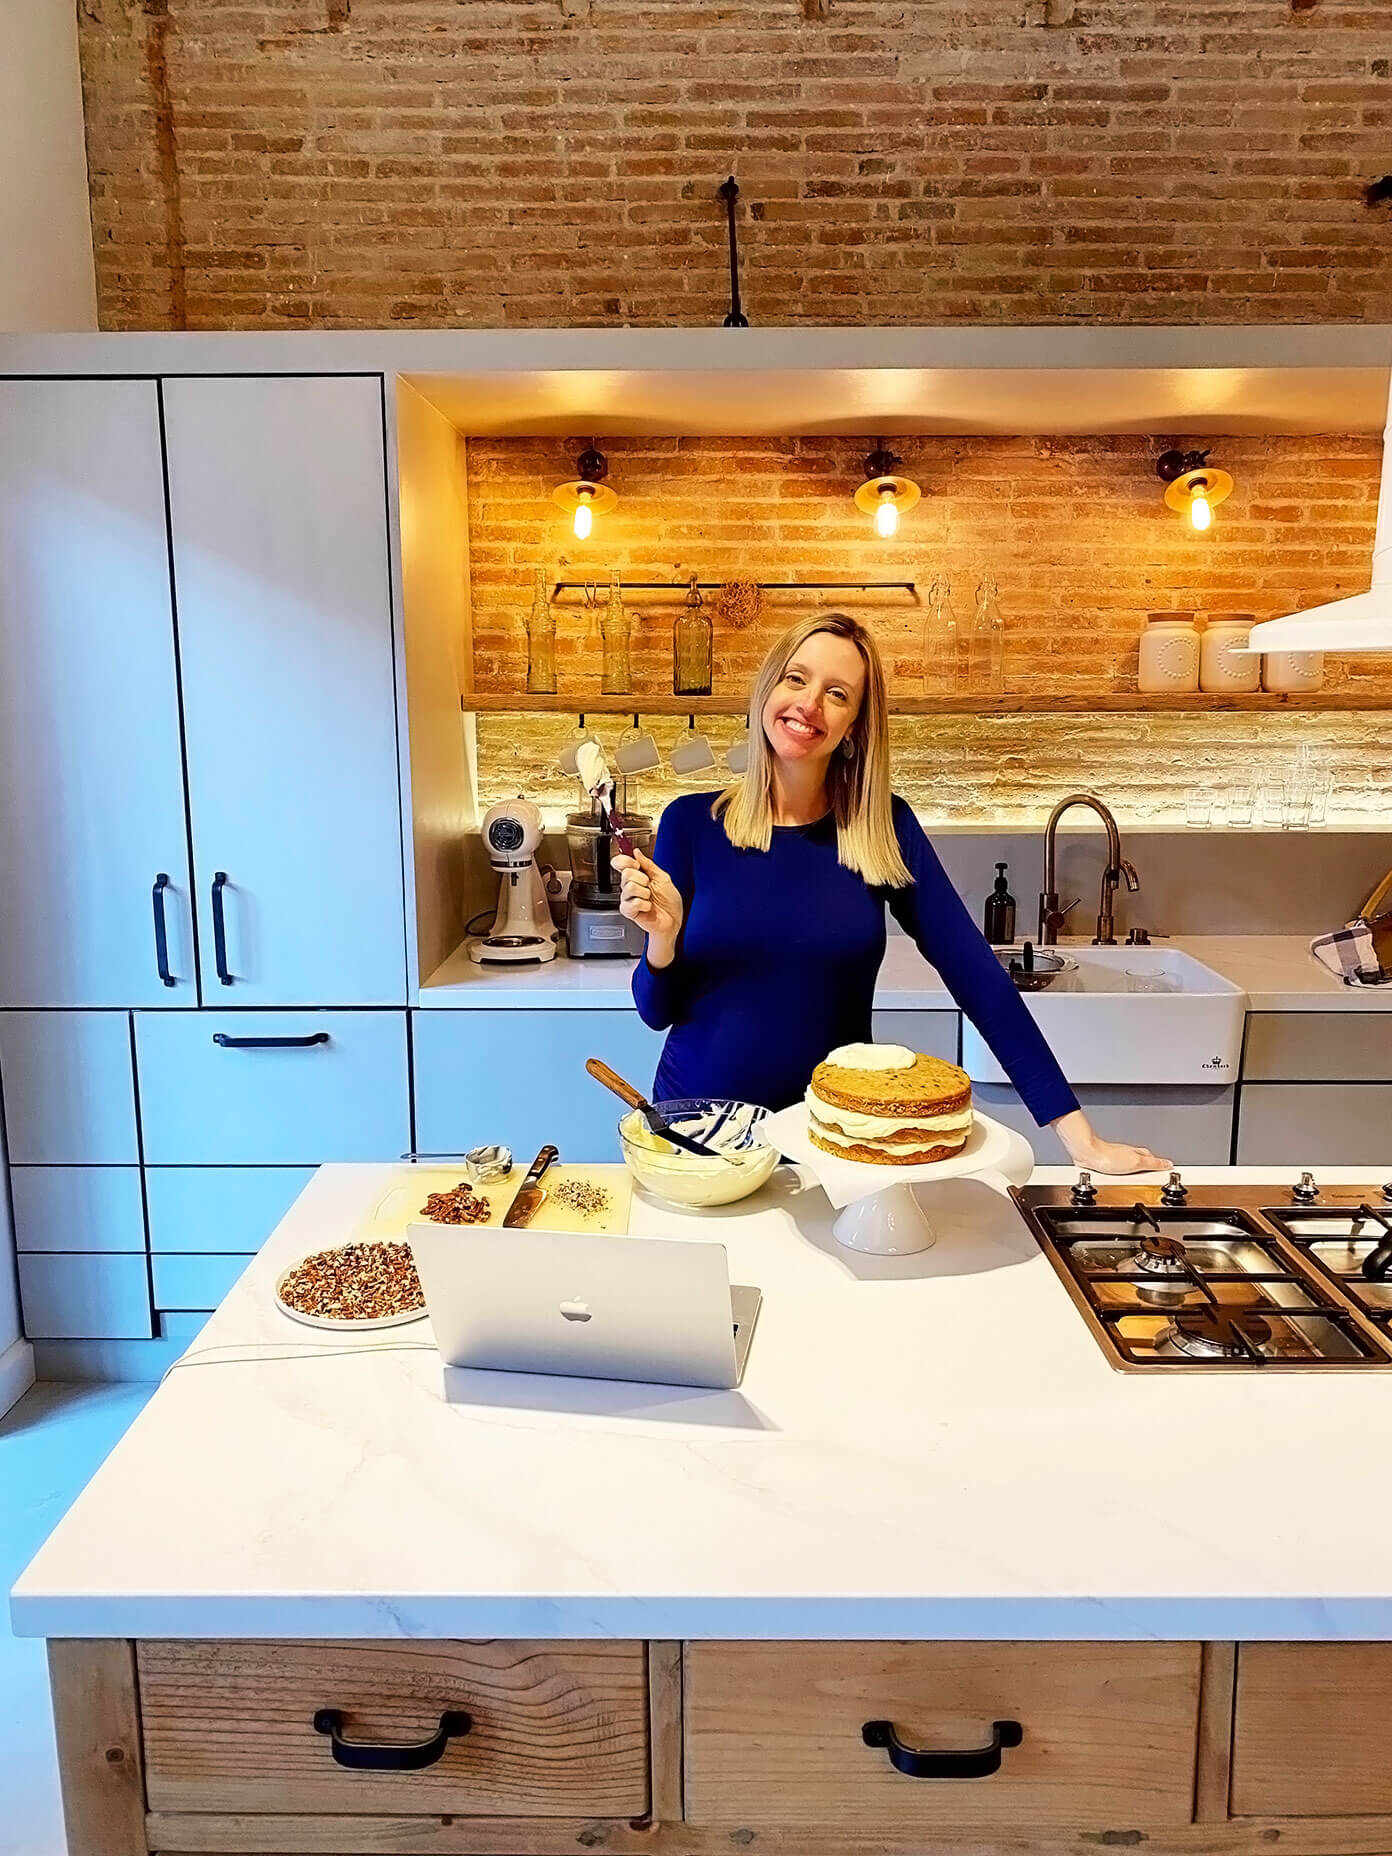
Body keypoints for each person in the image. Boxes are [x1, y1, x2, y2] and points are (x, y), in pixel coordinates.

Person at [614, 611, 1170, 1177]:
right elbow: (655, 1012)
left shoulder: (882, 829)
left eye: (837, 693)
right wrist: (663, 937)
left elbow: (978, 978)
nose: (808, 704)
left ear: (854, 724)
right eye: (796, 678)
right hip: (702, 1134)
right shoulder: (691, 823)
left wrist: (1081, 1139)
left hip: (835, 1138)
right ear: (767, 690)